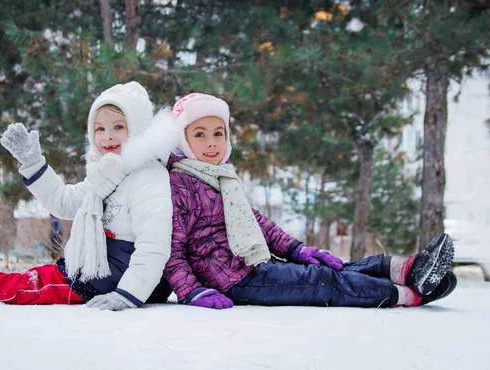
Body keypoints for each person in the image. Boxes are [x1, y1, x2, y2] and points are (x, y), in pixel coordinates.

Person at [163, 92, 457, 310]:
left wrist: (297, 249)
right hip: (231, 281)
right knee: (323, 282)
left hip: (252, 265)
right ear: (183, 140)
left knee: (329, 268)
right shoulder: (180, 183)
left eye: (218, 133)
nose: (211, 142)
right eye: (199, 135)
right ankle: (407, 294)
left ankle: (405, 269)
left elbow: (257, 223)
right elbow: (171, 249)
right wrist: (192, 292)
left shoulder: (220, 177)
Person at [0, 81, 180, 311]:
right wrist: (33, 163)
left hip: (116, 277)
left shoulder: (148, 176)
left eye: (118, 127)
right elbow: (63, 201)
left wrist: (128, 295)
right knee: (28, 280)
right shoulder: (107, 175)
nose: (107, 137)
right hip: (102, 269)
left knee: (29, 285)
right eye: (100, 128)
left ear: (138, 128)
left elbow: (154, 245)